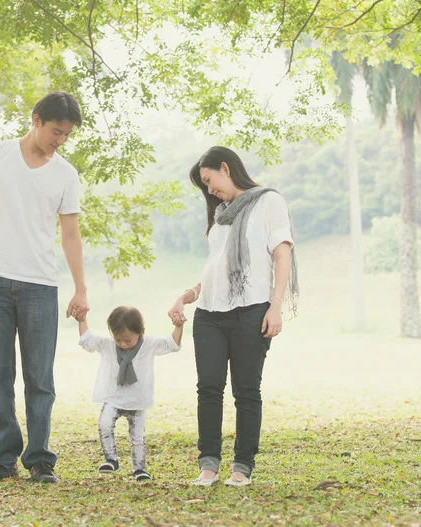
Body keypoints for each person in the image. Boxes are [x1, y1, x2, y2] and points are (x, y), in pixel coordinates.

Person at [0, 92, 89, 483]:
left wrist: (80, 288)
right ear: (36, 120)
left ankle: (40, 459)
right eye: (56, 131)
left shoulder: (66, 174)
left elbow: (71, 234)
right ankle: (2, 458)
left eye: (67, 135)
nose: (60, 140)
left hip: (41, 285)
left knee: (40, 378)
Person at [168, 146, 299, 487]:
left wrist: (275, 304)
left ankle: (242, 466)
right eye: (205, 187)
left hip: (251, 310)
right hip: (209, 312)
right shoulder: (221, 215)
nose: (210, 191)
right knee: (208, 389)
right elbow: (216, 266)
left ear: (226, 168)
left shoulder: (268, 202)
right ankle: (208, 464)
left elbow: (281, 254)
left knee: (246, 391)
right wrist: (186, 296)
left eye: (210, 181)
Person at [77, 306, 183, 481]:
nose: (123, 344)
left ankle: (139, 469)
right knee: (104, 424)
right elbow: (87, 341)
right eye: (118, 339)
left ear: (140, 332)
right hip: (113, 398)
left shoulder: (148, 344)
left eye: (128, 340)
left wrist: (178, 326)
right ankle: (111, 459)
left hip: (138, 400)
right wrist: (82, 319)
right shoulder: (109, 345)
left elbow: (171, 344)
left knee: (137, 437)